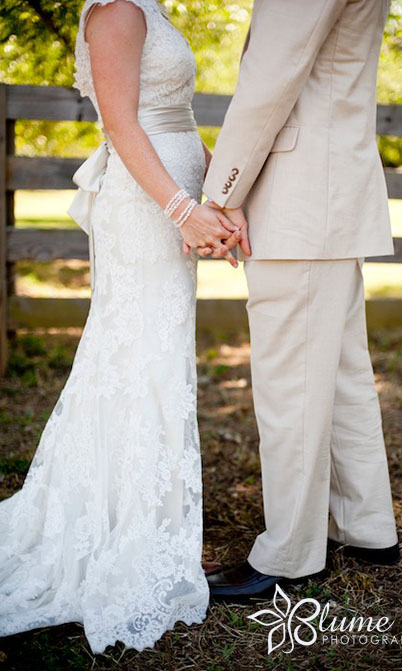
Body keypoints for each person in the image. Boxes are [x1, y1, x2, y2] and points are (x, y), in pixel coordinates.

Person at [0, 0, 244, 653]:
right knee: (137, 361)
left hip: (170, 199)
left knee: (151, 363)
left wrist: (222, 192)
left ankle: (141, 518)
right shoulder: (115, 12)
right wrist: (182, 208)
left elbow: (179, 119)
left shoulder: (150, 7)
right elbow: (122, 124)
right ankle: (127, 532)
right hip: (145, 208)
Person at [201, 0, 401, 601]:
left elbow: (273, 72)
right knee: (340, 374)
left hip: (298, 196)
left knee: (292, 385)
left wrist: (223, 189)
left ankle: (289, 553)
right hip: (328, 191)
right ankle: (366, 528)